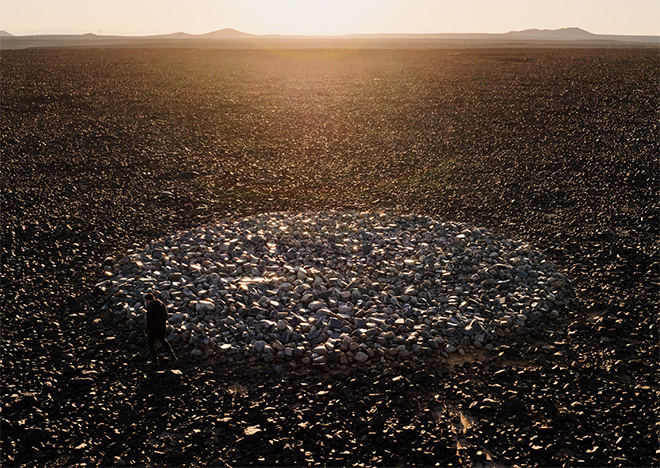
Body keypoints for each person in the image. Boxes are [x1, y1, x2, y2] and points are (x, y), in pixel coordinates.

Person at [144, 292, 177, 365]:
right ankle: (173, 356)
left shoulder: (151, 307)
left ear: (148, 300)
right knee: (163, 341)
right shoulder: (161, 304)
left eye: (146, 300)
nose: (146, 302)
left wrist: (147, 331)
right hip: (162, 327)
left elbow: (150, 320)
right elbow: (166, 316)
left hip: (154, 329)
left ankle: (155, 360)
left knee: (151, 343)